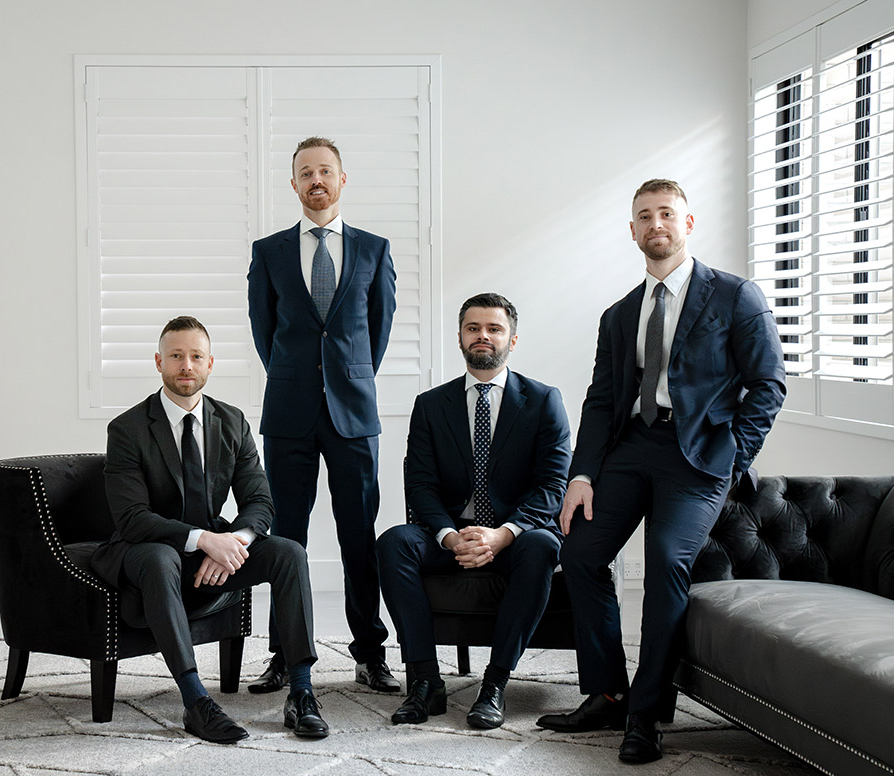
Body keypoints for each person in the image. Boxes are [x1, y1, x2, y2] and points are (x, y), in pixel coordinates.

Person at [536, 180, 786, 763]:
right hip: (632, 447)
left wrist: (730, 459)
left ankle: (646, 713)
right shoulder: (620, 314)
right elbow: (601, 401)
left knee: (667, 562)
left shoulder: (734, 296)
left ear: (688, 222)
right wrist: (582, 476)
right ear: (632, 231)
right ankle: (607, 691)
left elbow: (768, 386)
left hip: (698, 455)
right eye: (644, 216)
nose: (656, 225)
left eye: (666, 214)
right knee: (579, 551)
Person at [91, 316, 329, 744]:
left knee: (289, 552)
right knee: (162, 555)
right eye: (176, 356)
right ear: (158, 362)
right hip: (144, 550)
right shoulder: (126, 429)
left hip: (214, 547)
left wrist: (234, 544)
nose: (186, 365)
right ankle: (196, 700)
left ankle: (302, 690)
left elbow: (260, 501)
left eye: (196, 356)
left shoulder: (232, 421)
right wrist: (205, 541)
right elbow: (132, 518)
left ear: (210, 363)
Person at [377, 293, 572, 729]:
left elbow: (552, 485)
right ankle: (426, 682)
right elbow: (420, 485)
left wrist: (503, 534)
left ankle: (495, 684)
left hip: (516, 535)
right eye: (473, 328)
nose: (483, 336)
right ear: (460, 338)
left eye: (494, 328)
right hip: (451, 532)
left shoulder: (544, 401)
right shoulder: (431, 405)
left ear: (512, 340)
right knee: (393, 543)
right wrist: (449, 535)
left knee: (542, 546)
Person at [247, 136, 399, 694]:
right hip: (288, 413)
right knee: (286, 540)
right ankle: (284, 654)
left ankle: (369, 654)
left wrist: (346, 379)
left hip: (354, 416)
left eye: (326, 171)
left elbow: (375, 334)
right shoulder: (269, 252)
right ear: (293, 184)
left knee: (358, 536)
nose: (316, 180)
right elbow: (265, 333)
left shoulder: (375, 249)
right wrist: (296, 377)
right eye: (305, 172)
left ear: (341, 180)